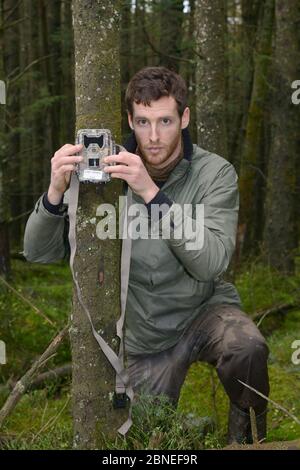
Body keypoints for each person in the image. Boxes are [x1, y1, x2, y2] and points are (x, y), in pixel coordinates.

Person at [23, 66, 269, 444]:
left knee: (247, 348)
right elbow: (38, 254)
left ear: (184, 118)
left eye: (165, 121)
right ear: (129, 120)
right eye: (143, 122)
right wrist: (55, 193)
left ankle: (248, 434)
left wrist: (152, 194)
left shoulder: (215, 173)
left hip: (203, 309)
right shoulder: (105, 174)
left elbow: (211, 263)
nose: (153, 137)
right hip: (145, 335)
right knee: (146, 439)